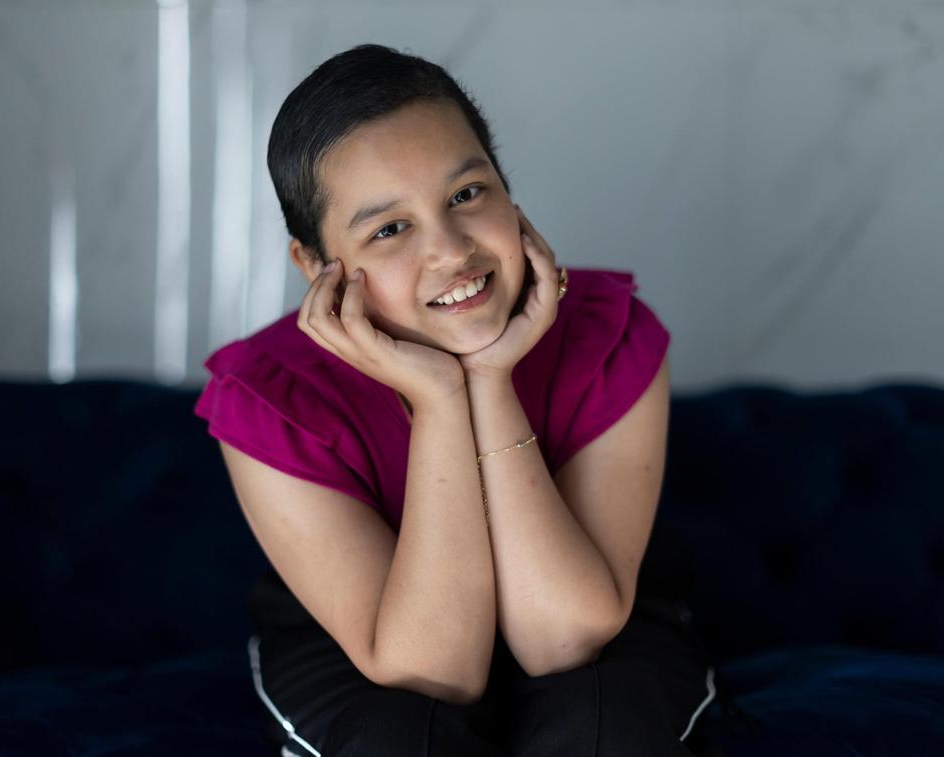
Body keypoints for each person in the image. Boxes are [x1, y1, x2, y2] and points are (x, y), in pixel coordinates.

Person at [194, 43, 728, 757]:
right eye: (388, 228)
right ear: (315, 265)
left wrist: (490, 379)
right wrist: (441, 399)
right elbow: (434, 672)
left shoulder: (611, 331)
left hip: (597, 621)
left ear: (510, 193)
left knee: (606, 724)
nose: (450, 249)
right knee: (396, 739)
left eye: (467, 194)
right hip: (375, 644)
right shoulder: (264, 394)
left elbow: (561, 639)